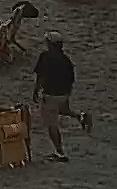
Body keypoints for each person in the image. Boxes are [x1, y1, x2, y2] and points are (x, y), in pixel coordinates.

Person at [32, 33, 92, 162]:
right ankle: (80, 116)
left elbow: (40, 76)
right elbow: (71, 79)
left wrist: (36, 91)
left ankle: (60, 152)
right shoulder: (66, 60)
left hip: (51, 94)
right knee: (63, 109)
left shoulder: (45, 57)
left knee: (52, 124)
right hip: (64, 93)